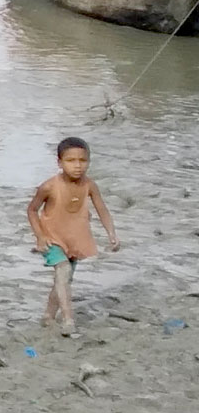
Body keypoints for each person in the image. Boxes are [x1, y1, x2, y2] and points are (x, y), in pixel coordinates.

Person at [27, 137, 119, 337]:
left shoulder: (90, 185)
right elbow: (32, 210)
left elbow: (102, 209)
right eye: (70, 161)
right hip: (52, 237)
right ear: (59, 162)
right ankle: (69, 320)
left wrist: (111, 233)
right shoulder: (49, 187)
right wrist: (40, 237)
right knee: (63, 270)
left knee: (63, 279)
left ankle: (48, 316)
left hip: (75, 239)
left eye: (82, 160)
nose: (77, 166)